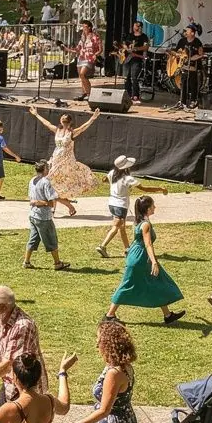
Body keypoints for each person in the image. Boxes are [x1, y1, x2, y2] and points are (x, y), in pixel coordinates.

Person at [106, 196, 185, 325]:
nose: (155, 207)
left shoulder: (139, 221)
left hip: (138, 256)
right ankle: (109, 315)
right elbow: (148, 244)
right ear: (148, 209)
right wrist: (154, 261)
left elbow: (138, 240)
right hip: (140, 259)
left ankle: (167, 314)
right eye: (153, 205)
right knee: (127, 285)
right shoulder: (145, 224)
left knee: (157, 281)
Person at [28, 106, 98, 209]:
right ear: (61, 120)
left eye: (65, 120)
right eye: (63, 119)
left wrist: (93, 118)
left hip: (66, 162)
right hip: (56, 159)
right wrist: (36, 114)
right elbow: (47, 123)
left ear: (69, 122)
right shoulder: (57, 130)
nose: (64, 121)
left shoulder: (71, 133)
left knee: (57, 182)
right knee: (52, 182)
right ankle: (57, 207)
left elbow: (83, 127)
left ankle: (62, 204)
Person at [97, 157, 166, 258]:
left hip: (112, 203)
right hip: (121, 205)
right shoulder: (128, 179)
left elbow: (104, 179)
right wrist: (160, 188)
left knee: (122, 227)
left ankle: (127, 249)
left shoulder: (112, 172)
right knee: (116, 227)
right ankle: (102, 246)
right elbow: (144, 189)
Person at [24, 161, 72, 271]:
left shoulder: (32, 180)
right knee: (51, 239)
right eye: (47, 167)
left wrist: (36, 202)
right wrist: (42, 202)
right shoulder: (46, 182)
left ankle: (26, 262)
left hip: (33, 215)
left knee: (33, 239)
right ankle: (57, 263)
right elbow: (51, 202)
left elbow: (31, 198)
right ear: (45, 169)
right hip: (43, 217)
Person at [70, 18, 103, 101]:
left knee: (82, 74)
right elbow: (78, 48)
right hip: (81, 57)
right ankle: (84, 93)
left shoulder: (95, 37)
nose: (83, 29)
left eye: (85, 27)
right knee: (81, 77)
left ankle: (89, 93)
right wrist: (69, 49)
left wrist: (96, 54)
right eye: (83, 27)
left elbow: (100, 49)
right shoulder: (83, 37)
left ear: (89, 27)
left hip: (89, 58)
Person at [118, 21, 150, 103]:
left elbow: (146, 47)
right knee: (126, 78)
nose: (134, 27)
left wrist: (136, 49)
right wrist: (126, 48)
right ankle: (127, 95)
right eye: (134, 26)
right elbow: (123, 43)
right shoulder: (129, 35)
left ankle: (135, 95)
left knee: (134, 77)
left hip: (137, 58)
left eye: (136, 26)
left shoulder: (144, 37)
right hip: (127, 58)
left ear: (140, 27)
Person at [177, 24, 205, 109]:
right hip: (184, 66)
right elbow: (177, 51)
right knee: (183, 84)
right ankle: (183, 102)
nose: (185, 32)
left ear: (192, 33)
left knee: (193, 84)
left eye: (187, 30)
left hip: (194, 66)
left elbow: (201, 54)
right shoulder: (182, 41)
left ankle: (193, 100)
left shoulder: (197, 42)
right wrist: (177, 55)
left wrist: (192, 58)